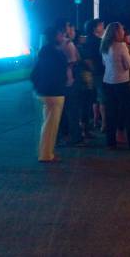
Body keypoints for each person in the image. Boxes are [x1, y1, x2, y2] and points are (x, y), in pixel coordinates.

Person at [101, 23, 130, 150]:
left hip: (108, 81)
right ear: (117, 32)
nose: (123, 32)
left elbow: (104, 63)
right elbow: (129, 65)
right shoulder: (121, 46)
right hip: (121, 82)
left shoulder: (104, 46)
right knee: (128, 112)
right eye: (121, 30)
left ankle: (111, 142)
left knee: (111, 112)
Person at [32, 24, 69, 162]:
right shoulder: (57, 54)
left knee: (47, 124)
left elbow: (34, 74)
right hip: (54, 92)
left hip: (43, 91)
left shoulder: (43, 52)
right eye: (60, 34)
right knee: (51, 126)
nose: (63, 36)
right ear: (55, 37)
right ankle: (46, 154)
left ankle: (45, 152)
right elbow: (61, 72)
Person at [60, 21, 86, 146]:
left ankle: (65, 135)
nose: (74, 31)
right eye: (71, 28)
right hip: (70, 80)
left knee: (66, 110)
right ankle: (75, 136)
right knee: (72, 109)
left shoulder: (57, 44)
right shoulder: (67, 44)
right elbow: (73, 62)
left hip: (62, 81)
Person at [82, 19, 106, 131]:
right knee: (102, 98)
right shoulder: (97, 42)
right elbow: (89, 59)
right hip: (99, 72)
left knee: (94, 99)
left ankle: (96, 121)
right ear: (94, 28)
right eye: (101, 25)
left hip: (92, 73)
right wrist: (95, 70)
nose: (103, 27)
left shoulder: (87, 41)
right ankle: (104, 124)